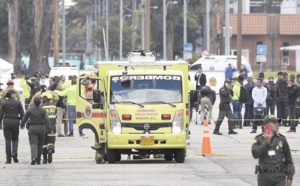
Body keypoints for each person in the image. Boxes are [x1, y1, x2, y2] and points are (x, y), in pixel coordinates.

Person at [251, 115, 295, 186]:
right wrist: (266, 142)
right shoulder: (259, 139)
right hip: (264, 177)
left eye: (278, 123)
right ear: (267, 125)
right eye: (274, 123)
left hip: (279, 176)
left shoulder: (282, 139)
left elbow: (288, 159)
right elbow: (255, 154)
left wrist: (290, 176)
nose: (277, 125)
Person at [20, 96, 51, 165]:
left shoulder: (29, 110)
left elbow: (25, 119)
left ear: (33, 102)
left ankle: (34, 157)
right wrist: (49, 128)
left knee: (33, 144)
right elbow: (47, 119)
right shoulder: (43, 110)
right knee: (40, 144)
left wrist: (22, 124)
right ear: (40, 103)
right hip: (41, 128)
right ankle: (38, 159)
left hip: (32, 128)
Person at [0, 90, 24, 164]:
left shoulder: (4, 102)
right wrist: (22, 123)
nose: (16, 95)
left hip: (6, 121)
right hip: (15, 121)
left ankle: (8, 159)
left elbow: (1, 114)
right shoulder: (18, 102)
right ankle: (14, 153)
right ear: (11, 95)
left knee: (7, 140)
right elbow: (22, 114)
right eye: (15, 94)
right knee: (15, 139)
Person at [41, 92, 57, 164]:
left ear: (45, 98)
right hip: (52, 128)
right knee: (51, 142)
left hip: (43, 128)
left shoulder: (42, 107)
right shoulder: (54, 107)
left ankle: (44, 159)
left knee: (44, 143)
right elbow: (55, 117)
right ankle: (50, 149)